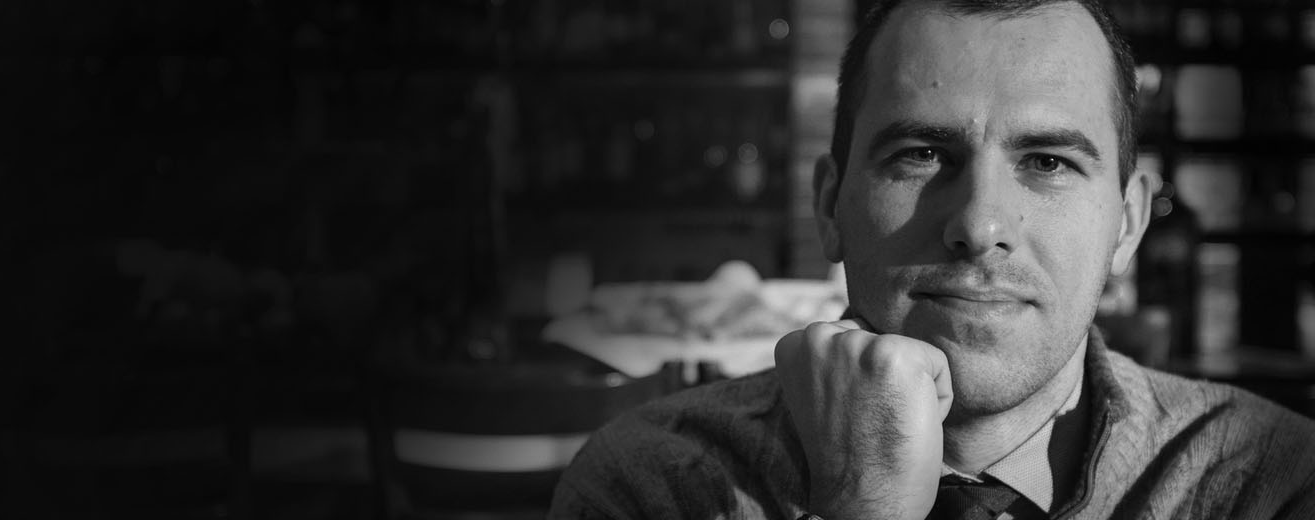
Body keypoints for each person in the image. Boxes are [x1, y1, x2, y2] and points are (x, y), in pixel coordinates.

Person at [549, 0, 1315, 518]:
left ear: (1128, 225)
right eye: (920, 154)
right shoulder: (655, 486)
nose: (979, 225)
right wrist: (866, 503)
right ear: (830, 206)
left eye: (1048, 162)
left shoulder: (1269, 479)